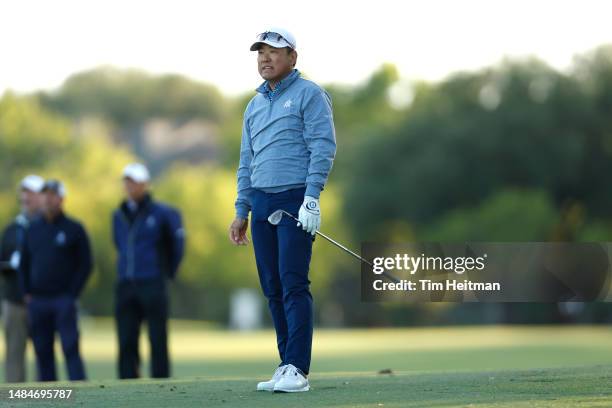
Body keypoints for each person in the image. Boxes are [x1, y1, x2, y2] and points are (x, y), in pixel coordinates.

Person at [229, 28, 336, 392]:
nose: (265, 58)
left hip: (294, 200)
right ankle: (285, 363)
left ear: (293, 57)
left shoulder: (310, 94)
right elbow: (246, 162)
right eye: (260, 52)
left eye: (273, 51)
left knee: (293, 283)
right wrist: (241, 210)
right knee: (272, 288)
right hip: (260, 202)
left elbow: (322, 146)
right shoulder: (254, 105)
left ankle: (298, 370)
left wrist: (311, 196)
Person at [112, 163, 185, 379]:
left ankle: (160, 381)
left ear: (145, 185)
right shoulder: (118, 214)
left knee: (157, 337)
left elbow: (176, 246)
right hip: (126, 283)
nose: (129, 186)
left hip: (153, 281)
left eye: (133, 182)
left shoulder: (163, 213)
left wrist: (167, 273)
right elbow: (119, 244)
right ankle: (127, 379)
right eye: (127, 182)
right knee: (126, 337)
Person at [19, 180, 92, 381]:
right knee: (42, 351)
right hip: (38, 300)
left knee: (70, 348)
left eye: (52, 195)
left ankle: (81, 395)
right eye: (44, 195)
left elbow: (85, 264)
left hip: (63, 299)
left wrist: (72, 294)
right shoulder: (32, 229)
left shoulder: (74, 229)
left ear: (61, 199)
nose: (47, 199)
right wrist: (26, 292)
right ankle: (49, 397)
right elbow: (23, 264)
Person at [0, 175, 45, 382]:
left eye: (32, 193)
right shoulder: (12, 228)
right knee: (14, 355)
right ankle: (15, 399)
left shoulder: (49, 227)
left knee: (44, 354)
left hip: (42, 300)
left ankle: (47, 397)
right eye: (24, 192)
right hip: (14, 300)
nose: (27, 197)